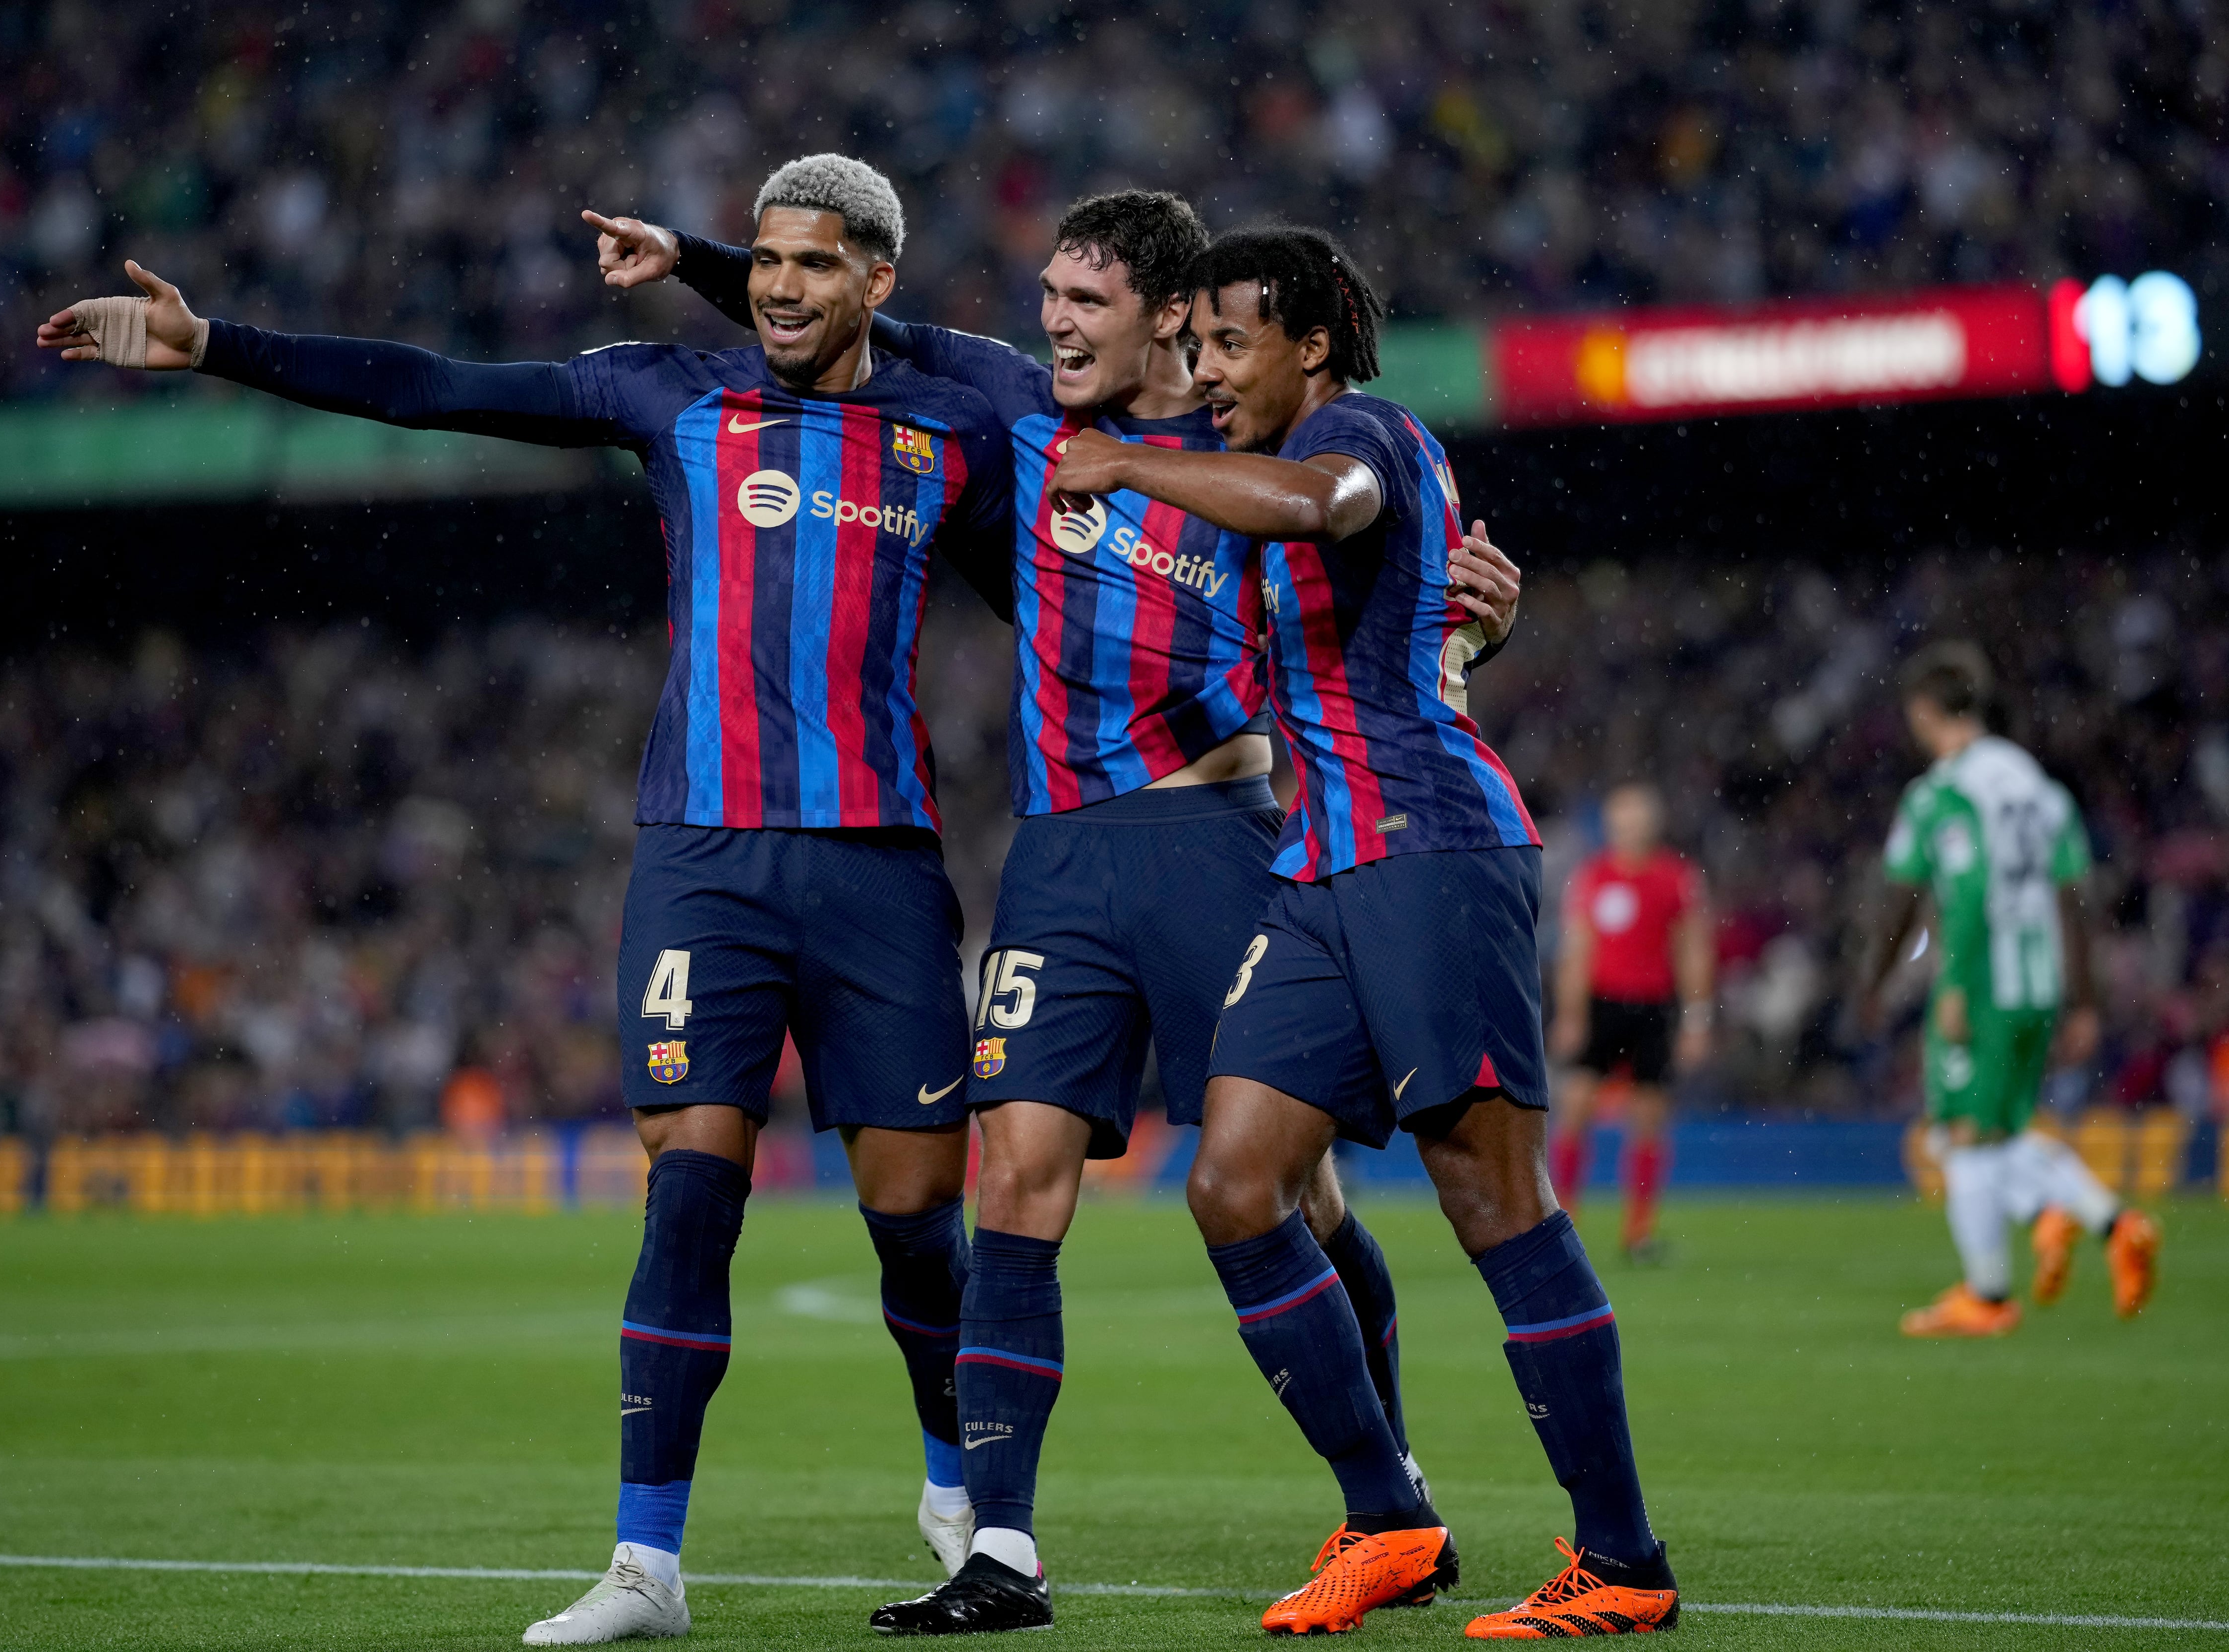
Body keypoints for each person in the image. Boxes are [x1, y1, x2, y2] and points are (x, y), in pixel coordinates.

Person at [39, 153, 1016, 1646]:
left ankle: (955, 1484)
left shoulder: (954, 410)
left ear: (880, 279)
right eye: (761, 260)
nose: (778, 286)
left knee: (912, 1218)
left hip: (878, 859)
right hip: (702, 857)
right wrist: (218, 344)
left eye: (817, 264)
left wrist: (692, 248)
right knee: (689, 1184)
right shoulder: (662, 396)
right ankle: (646, 1565)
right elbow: (432, 386)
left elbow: (1029, 388)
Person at [590, 189, 1518, 1635]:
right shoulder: (1013, 406)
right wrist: (698, 263)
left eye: (1087, 302)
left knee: (1288, 1190)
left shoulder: (1253, 451)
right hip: (1056, 859)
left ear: (1168, 317)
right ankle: (1001, 1550)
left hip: (1216, 834)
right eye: (1050, 299)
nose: (1054, 325)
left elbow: (1383, 596)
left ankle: (1385, 1492)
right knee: (1015, 1182)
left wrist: (1465, 621)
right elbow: (852, 316)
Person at [1049, 225, 1678, 1639]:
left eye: (1229, 343)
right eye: (1195, 345)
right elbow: (1402, 636)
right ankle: (1390, 1517)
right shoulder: (1296, 464)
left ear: (1314, 342)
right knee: (1233, 1181)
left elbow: (1328, 506)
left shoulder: (1361, 431)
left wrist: (1132, 461)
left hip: (1430, 853)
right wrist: (1476, 636)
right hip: (1324, 869)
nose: (1207, 371)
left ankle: (1625, 1557)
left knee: (1496, 1202)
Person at [1861, 640, 2160, 1337]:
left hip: (1984, 976)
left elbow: (1943, 894)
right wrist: (2084, 998)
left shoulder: (1943, 793)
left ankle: (1999, 1289)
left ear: (1925, 712)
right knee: (1995, 1133)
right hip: (2040, 978)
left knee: (1962, 1137)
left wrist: (1903, 981)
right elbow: (2074, 893)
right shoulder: (2035, 783)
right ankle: (2072, 1221)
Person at [1548, 783, 1713, 1263]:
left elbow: (1692, 950)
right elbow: (1576, 952)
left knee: (1647, 1120)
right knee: (1574, 1109)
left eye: (1637, 819)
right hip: (1602, 1005)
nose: (1630, 829)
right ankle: (1564, 1224)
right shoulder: (1592, 877)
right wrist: (1571, 1015)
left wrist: (1696, 1020)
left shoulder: (1674, 878)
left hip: (1653, 1008)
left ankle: (1637, 1234)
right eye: (1622, 820)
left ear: (1652, 824)